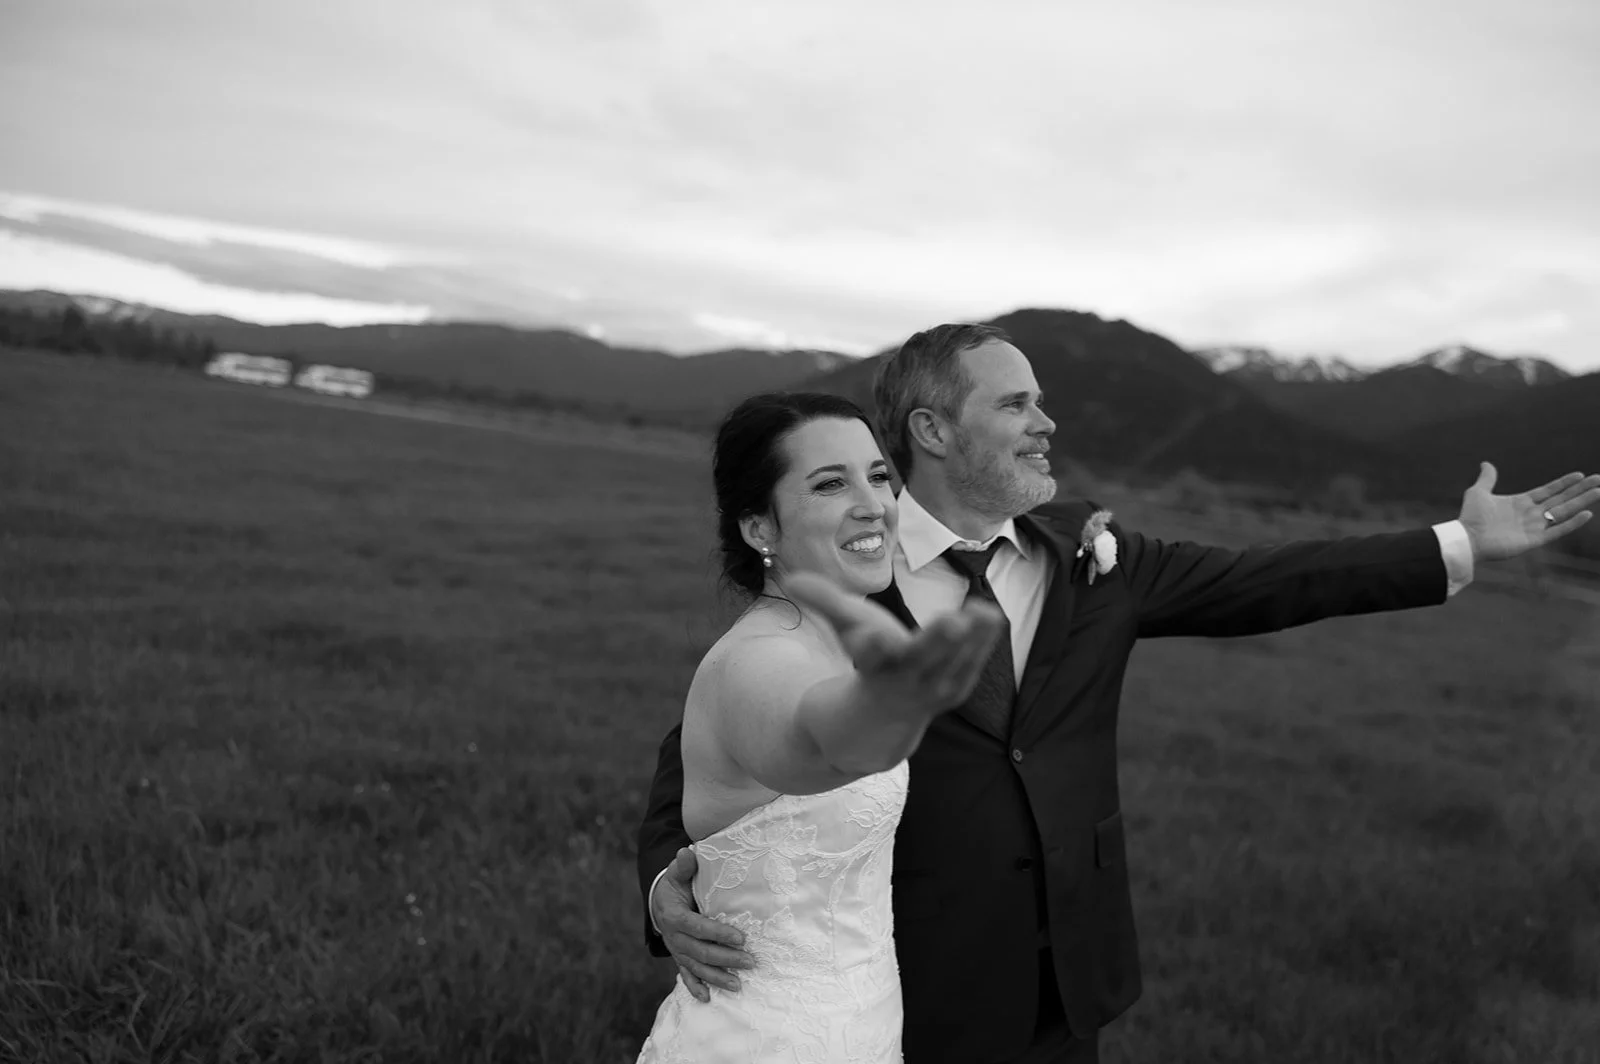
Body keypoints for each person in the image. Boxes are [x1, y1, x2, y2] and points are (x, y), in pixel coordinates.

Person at [636, 323, 1600, 1064]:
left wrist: (1461, 543)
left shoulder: (1096, 559)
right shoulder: (843, 576)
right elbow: (713, 747)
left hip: (1067, 977)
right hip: (904, 985)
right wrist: (665, 886)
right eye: (1016, 405)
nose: (1047, 423)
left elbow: (1270, 579)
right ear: (934, 428)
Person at [635, 391, 1007, 1063]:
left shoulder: (846, 629)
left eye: (878, 476)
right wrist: (880, 714)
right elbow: (812, 737)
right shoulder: (754, 663)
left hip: (877, 1019)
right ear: (760, 528)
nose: (873, 503)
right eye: (831, 483)